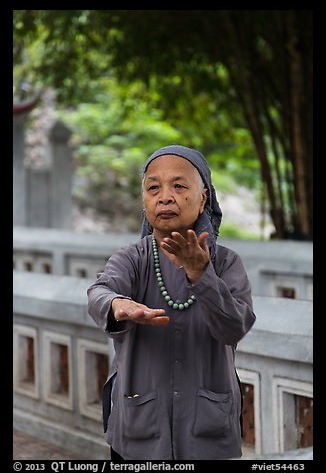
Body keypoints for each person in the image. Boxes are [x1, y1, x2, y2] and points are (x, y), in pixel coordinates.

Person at [87, 144, 256, 460]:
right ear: (145, 201)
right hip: (139, 427)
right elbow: (100, 290)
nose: (165, 196)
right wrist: (116, 304)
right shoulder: (132, 260)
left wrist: (201, 274)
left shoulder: (227, 265)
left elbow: (234, 328)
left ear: (203, 196)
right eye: (154, 188)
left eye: (179, 186)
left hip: (208, 432)